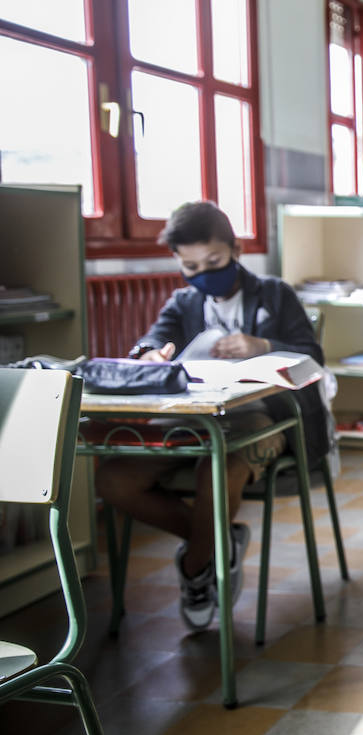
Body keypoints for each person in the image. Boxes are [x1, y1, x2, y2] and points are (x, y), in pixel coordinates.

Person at [95, 201, 329, 630]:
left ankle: (195, 570)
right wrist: (151, 352)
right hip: (189, 419)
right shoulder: (183, 302)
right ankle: (218, 546)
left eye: (215, 261)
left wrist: (262, 346)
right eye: (191, 266)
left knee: (218, 470)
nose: (204, 273)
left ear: (236, 250)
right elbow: (152, 340)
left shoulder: (275, 293)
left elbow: (313, 356)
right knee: (113, 478)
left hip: (263, 419)